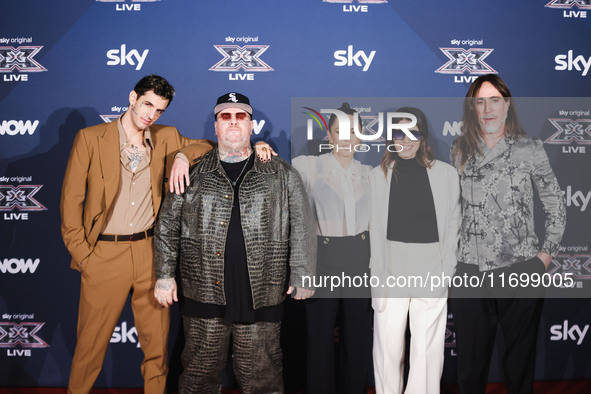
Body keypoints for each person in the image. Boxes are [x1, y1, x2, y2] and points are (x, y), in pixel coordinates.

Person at [60, 76, 273, 394]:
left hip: (150, 254)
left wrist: (183, 157)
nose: (150, 115)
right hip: (103, 255)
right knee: (89, 349)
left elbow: (210, 146)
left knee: (156, 352)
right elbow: (70, 202)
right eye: (147, 105)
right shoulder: (90, 138)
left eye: (159, 110)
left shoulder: (166, 136)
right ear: (132, 97)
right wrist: (85, 258)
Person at [153, 92, 316, 393]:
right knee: (198, 379)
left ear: (252, 125)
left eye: (240, 116)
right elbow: (167, 226)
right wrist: (164, 276)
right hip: (202, 293)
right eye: (225, 116)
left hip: (262, 294)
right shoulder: (191, 173)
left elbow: (302, 226)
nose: (233, 122)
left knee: (263, 379)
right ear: (215, 127)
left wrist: (303, 272)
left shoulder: (281, 174)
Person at [450, 74, 566, 394]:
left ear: (507, 104)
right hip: (471, 271)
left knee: (519, 365)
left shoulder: (529, 149)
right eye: (480, 101)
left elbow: (556, 206)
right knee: (470, 367)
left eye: (494, 100)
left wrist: (543, 257)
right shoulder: (459, 150)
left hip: (520, 269)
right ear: (472, 108)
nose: (487, 108)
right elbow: (450, 212)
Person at [369, 107, 460, 394]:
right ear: (391, 138)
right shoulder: (376, 176)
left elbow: (453, 226)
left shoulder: (446, 175)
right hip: (390, 267)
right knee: (387, 348)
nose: (406, 140)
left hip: (431, 266)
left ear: (423, 137)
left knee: (427, 351)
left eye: (413, 133)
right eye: (399, 133)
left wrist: (446, 272)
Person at [292, 103, 373, 394]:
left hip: (360, 260)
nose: (346, 138)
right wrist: (262, 145)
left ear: (362, 136)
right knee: (319, 338)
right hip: (322, 259)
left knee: (357, 337)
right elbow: (273, 171)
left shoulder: (372, 173)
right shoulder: (308, 165)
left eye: (353, 132)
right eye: (339, 131)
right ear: (329, 134)